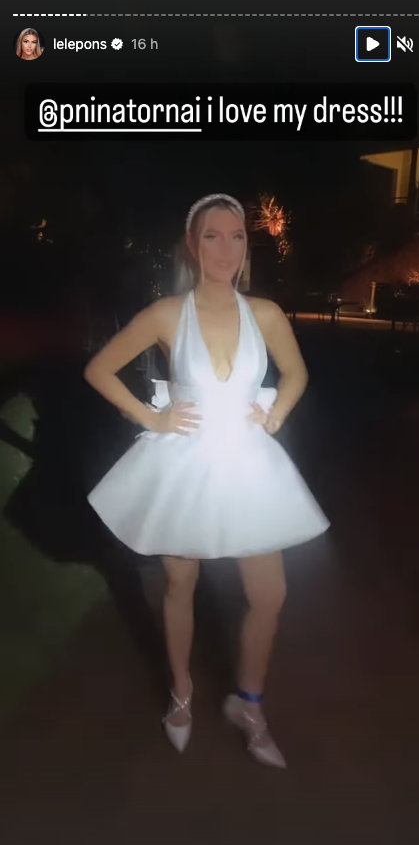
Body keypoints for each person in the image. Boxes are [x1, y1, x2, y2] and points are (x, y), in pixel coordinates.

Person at [84, 194, 330, 768]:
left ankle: (249, 703)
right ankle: (181, 692)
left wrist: (275, 414)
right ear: (193, 246)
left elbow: (296, 372)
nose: (226, 248)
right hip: (186, 463)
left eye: (236, 236)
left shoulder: (265, 313)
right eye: (212, 236)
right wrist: (152, 419)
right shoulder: (167, 314)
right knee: (180, 582)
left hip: (246, 463)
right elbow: (99, 369)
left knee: (269, 594)